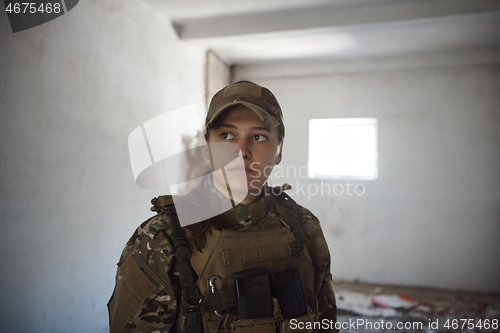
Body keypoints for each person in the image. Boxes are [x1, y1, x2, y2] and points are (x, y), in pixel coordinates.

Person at [108, 81, 337, 332]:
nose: (241, 151)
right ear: (208, 148)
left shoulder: (304, 225)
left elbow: (326, 323)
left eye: (258, 136)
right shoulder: (161, 237)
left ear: (279, 150)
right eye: (226, 135)